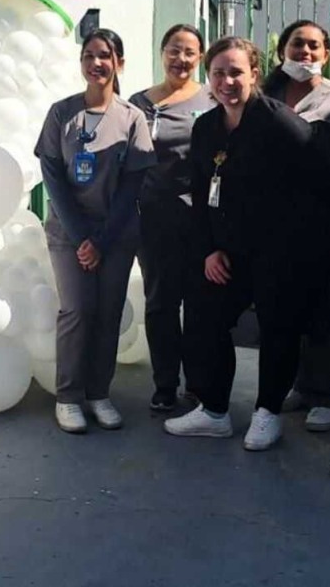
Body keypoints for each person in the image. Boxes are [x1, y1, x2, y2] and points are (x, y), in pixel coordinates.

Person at [164, 37, 330, 451]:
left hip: (279, 250)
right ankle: (214, 410)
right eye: (219, 72)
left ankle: (267, 412)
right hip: (226, 249)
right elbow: (202, 187)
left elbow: (324, 178)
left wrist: (299, 240)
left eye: (236, 72)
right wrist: (209, 248)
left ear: (254, 74)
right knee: (205, 315)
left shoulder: (279, 122)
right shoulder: (206, 126)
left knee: (278, 327)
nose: (227, 81)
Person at [35, 29, 156, 434]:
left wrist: (101, 241)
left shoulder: (132, 118)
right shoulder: (61, 114)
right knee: (77, 310)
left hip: (116, 235)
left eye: (105, 55)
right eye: (89, 55)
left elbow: (131, 186)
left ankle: (98, 393)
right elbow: (52, 176)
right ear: (81, 62)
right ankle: (68, 396)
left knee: (107, 312)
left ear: (119, 63)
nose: (96, 63)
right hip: (69, 234)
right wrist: (82, 237)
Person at [263, 20, 330, 433]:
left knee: (321, 308)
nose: (306, 52)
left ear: (327, 54)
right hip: (273, 220)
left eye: (315, 46)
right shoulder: (265, 96)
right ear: (283, 49)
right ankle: (297, 385)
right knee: (283, 308)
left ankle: (325, 393)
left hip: (321, 219)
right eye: (298, 44)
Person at [128, 24, 214, 411]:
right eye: (174, 50)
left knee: (198, 302)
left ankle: (197, 383)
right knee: (160, 302)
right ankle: (165, 383)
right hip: (154, 216)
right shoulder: (138, 103)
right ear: (162, 53)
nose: (181, 59)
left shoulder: (212, 98)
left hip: (200, 216)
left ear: (200, 58)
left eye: (190, 52)